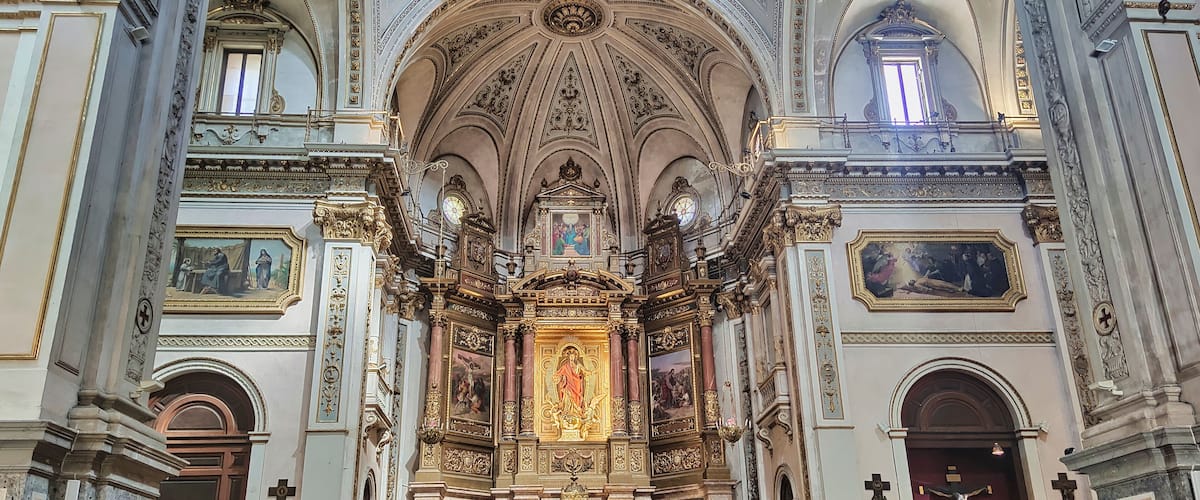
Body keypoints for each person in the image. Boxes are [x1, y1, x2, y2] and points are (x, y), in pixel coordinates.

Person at [554, 347, 587, 415]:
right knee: (568, 395)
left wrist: (591, 372)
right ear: (568, 357)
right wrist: (559, 378)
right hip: (568, 384)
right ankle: (567, 411)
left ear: (575, 357)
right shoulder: (565, 366)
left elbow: (584, 372)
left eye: (573, 356)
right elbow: (558, 374)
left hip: (577, 383)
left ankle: (576, 411)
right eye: (571, 356)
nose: (572, 358)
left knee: (577, 397)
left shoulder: (578, 366)